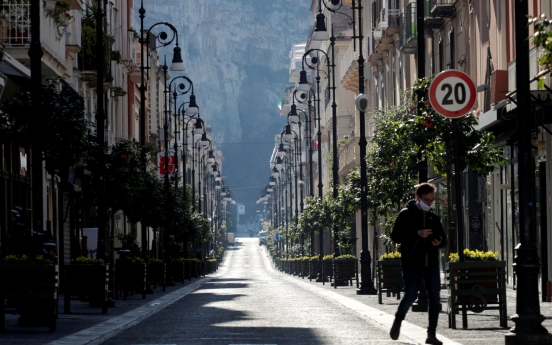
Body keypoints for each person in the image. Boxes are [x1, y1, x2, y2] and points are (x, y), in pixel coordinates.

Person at [389, 182, 447, 345]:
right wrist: (417, 233)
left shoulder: (434, 218)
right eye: (426, 200)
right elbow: (396, 236)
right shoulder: (405, 214)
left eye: (431, 201)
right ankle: (398, 320)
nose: (429, 203)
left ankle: (431, 334)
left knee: (435, 299)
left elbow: (443, 239)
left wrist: (439, 243)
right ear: (417, 198)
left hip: (432, 264)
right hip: (412, 262)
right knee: (411, 295)